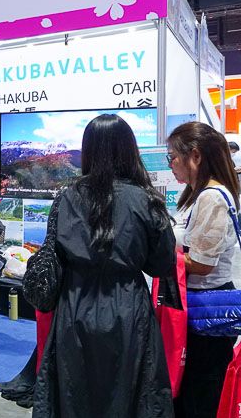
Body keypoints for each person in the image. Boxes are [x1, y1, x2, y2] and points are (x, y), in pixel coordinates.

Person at [33, 114, 176, 417]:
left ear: (88, 150)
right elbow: (162, 264)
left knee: (74, 393)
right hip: (128, 309)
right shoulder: (147, 200)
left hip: (75, 306)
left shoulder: (67, 198)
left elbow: (54, 254)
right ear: (129, 149)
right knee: (130, 394)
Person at [169, 122, 241, 418]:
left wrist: (161, 255)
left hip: (205, 308)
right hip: (200, 305)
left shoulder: (211, 196)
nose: (171, 164)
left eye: (173, 156)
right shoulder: (201, 194)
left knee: (201, 395)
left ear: (195, 156)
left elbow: (201, 264)